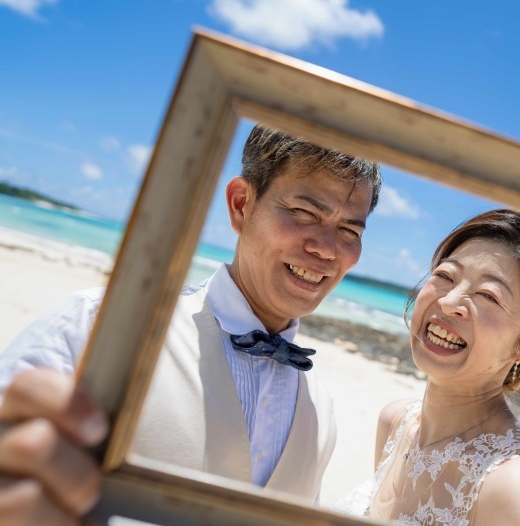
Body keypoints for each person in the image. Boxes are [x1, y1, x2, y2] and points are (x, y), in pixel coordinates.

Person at [0, 125, 382, 523]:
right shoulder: (100, 325)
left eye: (348, 230)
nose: (325, 248)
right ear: (241, 205)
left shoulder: (321, 407)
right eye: (304, 213)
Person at [336, 208, 520, 524]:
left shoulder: (517, 487)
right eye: (445, 275)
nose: (449, 302)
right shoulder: (394, 423)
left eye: (488, 296)